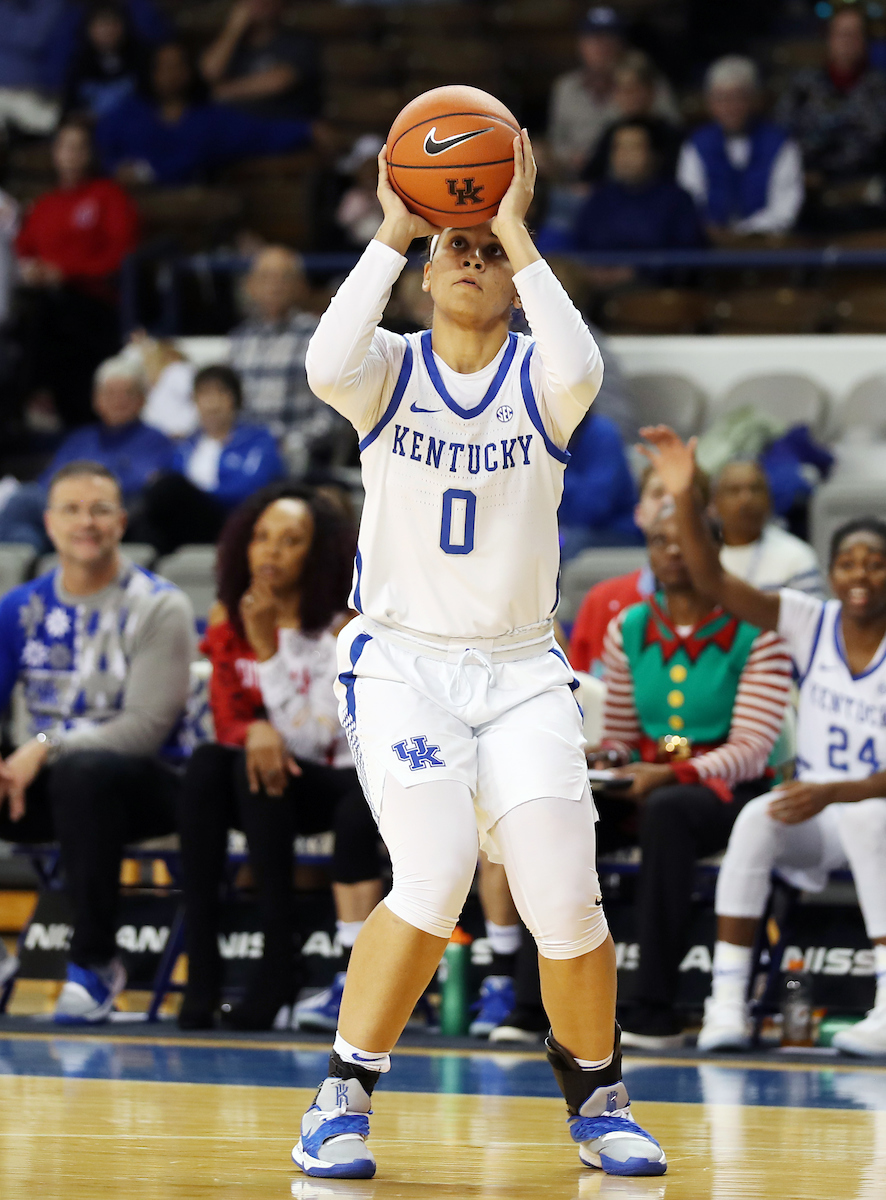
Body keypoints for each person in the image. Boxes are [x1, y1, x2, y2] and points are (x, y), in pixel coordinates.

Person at [290, 133, 667, 1180]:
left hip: (519, 671)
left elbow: (582, 359)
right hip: (402, 664)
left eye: (486, 251)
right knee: (439, 866)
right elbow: (323, 360)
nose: (469, 259)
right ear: (420, 274)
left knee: (564, 894)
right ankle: (341, 1096)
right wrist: (393, 227)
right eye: (450, 249)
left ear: (513, 270)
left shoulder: (545, 383)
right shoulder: (386, 372)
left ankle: (598, 1101)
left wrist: (515, 226)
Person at [641, 424, 886, 1058]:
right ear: (830, 573)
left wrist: (839, 790)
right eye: (848, 562)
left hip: (869, 810)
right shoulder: (812, 620)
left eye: (875, 562)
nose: (860, 574)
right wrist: (686, 499)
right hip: (818, 810)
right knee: (755, 818)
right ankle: (727, 1004)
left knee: (866, 818)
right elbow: (716, 582)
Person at [178, 483, 383, 1031]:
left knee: (254, 768)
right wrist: (255, 729)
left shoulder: (340, 629)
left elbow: (316, 739)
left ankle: (277, 963)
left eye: (290, 541)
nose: (270, 551)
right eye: (262, 537)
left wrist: (267, 650)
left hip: (339, 785)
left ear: (316, 555)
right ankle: (204, 970)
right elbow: (226, 717)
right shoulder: (231, 616)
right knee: (208, 766)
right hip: (268, 783)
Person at [0, 460, 193, 1023]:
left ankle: (95, 961)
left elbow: (143, 730)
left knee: (83, 775)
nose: (87, 522)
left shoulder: (160, 605)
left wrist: (46, 744)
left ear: (122, 522)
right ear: (49, 523)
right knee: (63, 778)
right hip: (38, 788)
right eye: (73, 510)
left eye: (101, 509)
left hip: (141, 787)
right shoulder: (18, 608)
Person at [597, 510, 792, 1048]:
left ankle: (654, 1008)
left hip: (731, 793)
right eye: (661, 541)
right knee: (571, 811)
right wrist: (608, 759)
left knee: (669, 812)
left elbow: (753, 751)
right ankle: (534, 1004)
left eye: (686, 541)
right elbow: (621, 736)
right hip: (653, 784)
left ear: (714, 550)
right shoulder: (628, 627)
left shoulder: (759, 631)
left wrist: (671, 773)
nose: (672, 552)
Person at [14, 119, 140, 429]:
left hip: (97, 303)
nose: (71, 155)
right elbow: (22, 249)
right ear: (54, 153)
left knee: (49, 315)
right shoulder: (45, 205)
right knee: (35, 316)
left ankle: (34, 396)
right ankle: (33, 402)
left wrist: (66, 274)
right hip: (50, 305)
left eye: (79, 148)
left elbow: (121, 256)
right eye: (65, 147)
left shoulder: (108, 196)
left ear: (91, 154)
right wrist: (32, 271)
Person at [0, 356, 173, 553]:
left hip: (108, 515)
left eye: (127, 393)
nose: (118, 400)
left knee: (23, 501)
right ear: (96, 400)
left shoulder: (155, 440)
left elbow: (141, 486)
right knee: (22, 533)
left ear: (142, 399)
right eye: (109, 393)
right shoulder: (80, 438)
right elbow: (47, 481)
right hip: (63, 512)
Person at [94, 40, 314, 187]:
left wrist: (306, 130)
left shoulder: (210, 118)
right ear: (150, 72)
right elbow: (101, 149)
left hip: (196, 207)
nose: (171, 75)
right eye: (163, 67)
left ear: (190, 72)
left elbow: (260, 134)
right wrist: (116, 168)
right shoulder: (127, 113)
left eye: (178, 67)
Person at [132, 364, 284, 555]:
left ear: (236, 399)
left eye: (221, 393)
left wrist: (199, 496)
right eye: (204, 394)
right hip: (188, 521)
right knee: (146, 520)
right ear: (195, 401)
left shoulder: (259, 440)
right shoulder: (186, 445)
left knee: (169, 488)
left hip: (232, 518)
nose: (213, 403)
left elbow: (254, 487)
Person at [228, 246, 344, 476]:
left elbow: (336, 413)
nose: (274, 285)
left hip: (296, 457)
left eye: (284, 277)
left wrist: (292, 443)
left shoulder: (319, 335)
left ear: (301, 286)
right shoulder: (239, 340)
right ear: (251, 286)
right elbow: (231, 407)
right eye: (265, 277)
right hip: (243, 455)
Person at [774, 6, 886, 232]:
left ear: (866, 40)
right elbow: (782, 139)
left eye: (855, 34)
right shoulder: (802, 88)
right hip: (810, 195)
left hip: (870, 194)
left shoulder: (881, 88)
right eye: (841, 34)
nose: (848, 41)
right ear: (829, 38)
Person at [677, 57, 804, 238]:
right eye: (721, 98)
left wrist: (741, 233)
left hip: (765, 247)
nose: (730, 107)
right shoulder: (696, 144)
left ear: (753, 100)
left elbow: (784, 210)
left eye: (737, 98)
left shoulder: (780, 142)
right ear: (710, 103)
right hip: (710, 246)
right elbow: (689, 201)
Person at [547, 6, 678, 180]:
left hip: (640, 178)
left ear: (622, 43)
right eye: (594, 38)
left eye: (610, 38)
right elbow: (555, 142)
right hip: (575, 180)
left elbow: (670, 133)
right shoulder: (564, 87)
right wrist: (570, 158)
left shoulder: (649, 81)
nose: (602, 47)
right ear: (580, 44)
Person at [572, 119, 705, 254]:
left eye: (634, 147)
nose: (624, 156)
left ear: (655, 155)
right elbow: (579, 246)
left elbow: (686, 255)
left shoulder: (677, 201)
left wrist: (638, 271)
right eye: (618, 147)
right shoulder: (598, 198)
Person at [712, 460, 824, 596]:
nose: (746, 499)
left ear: (769, 499)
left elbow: (810, 616)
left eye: (756, 489)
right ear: (715, 502)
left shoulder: (797, 556)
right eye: (734, 490)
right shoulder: (700, 555)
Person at [200, 0, 320, 121]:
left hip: (279, 124)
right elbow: (210, 72)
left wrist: (225, 92)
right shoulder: (230, 45)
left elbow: (279, 81)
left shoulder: (298, 42)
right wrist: (233, 29)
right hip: (230, 124)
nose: (259, 2)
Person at [581, 53, 683, 184]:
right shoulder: (612, 131)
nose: (628, 96)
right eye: (622, 90)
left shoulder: (670, 134)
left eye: (635, 89)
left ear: (651, 91)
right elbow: (590, 177)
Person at [559, 409, 639, 561]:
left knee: (567, 544)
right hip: (570, 528)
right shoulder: (541, 435)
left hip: (615, 529)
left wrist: (555, 478)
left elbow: (591, 510)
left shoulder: (604, 434)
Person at [64, 2, 149, 121]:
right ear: (88, 28)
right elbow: (70, 108)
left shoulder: (141, 58)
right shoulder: (77, 63)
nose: (107, 31)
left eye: (112, 23)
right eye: (101, 24)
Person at [0, 0, 63, 136]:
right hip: (1, 93)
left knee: (55, 124)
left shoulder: (55, 8)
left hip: (33, 93)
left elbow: (59, 55)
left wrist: (48, 89)